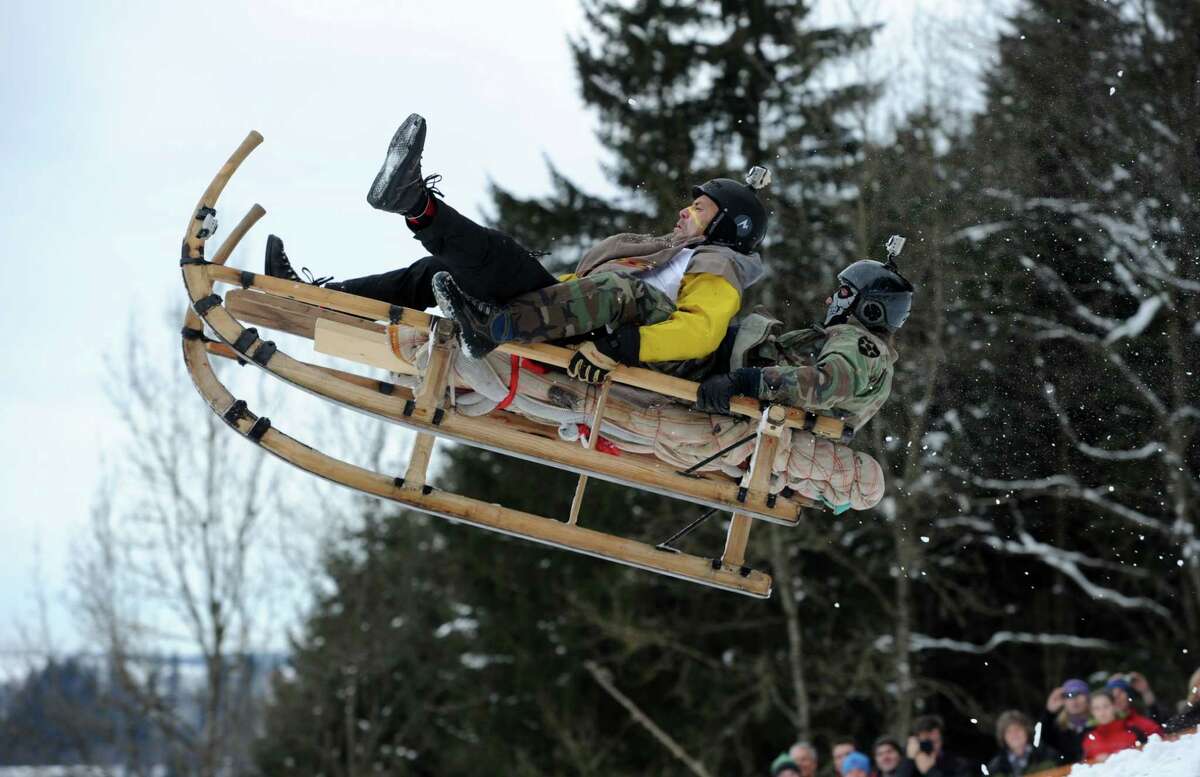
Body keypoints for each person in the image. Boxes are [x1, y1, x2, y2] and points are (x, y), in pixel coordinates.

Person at [266, 113, 771, 384]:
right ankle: (347, 268)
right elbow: (582, 290)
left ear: (726, 227)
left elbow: (701, 332)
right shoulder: (663, 249)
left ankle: (493, 325)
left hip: (605, 342)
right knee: (444, 267)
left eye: (701, 210)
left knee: (610, 288)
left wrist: (623, 348)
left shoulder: (718, 267)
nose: (686, 211)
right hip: (570, 314)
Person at [695, 256, 911, 431]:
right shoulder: (866, 351)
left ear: (870, 309)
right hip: (744, 381)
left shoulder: (860, 344)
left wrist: (747, 381)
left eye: (844, 293)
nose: (830, 300)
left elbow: (827, 384)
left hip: (733, 377)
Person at [1080, 688, 1162, 763]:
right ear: (1091, 712)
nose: (1102, 712)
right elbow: (1085, 767)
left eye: (1106, 706)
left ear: (1114, 706)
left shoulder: (1133, 730)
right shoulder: (1089, 739)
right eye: (1096, 708)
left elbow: (1153, 753)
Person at [985, 710, 1061, 775]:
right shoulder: (994, 768)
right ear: (1003, 737)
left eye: (1018, 729)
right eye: (1009, 731)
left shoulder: (1047, 755)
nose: (1014, 734)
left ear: (1026, 731)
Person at [1038, 677, 1092, 763]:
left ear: (1088, 699)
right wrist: (1049, 712)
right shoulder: (1059, 729)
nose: (1074, 700)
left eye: (1078, 694)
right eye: (1068, 696)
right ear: (1063, 701)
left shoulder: (1098, 723)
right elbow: (1037, 739)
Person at [905, 715, 970, 777]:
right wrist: (909, 760)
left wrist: (929, 771)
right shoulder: (908, 761)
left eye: (935, 741)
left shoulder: (958, 764)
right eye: (927, 742)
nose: (931, 746)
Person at [1106, 673, 1171, 724]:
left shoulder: (1140, 719)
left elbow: (1159, 721)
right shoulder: (1100, 724)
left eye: (1120, 692)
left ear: (1128, 696)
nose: (1117, 697)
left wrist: (1145, 692)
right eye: (1113, 693)